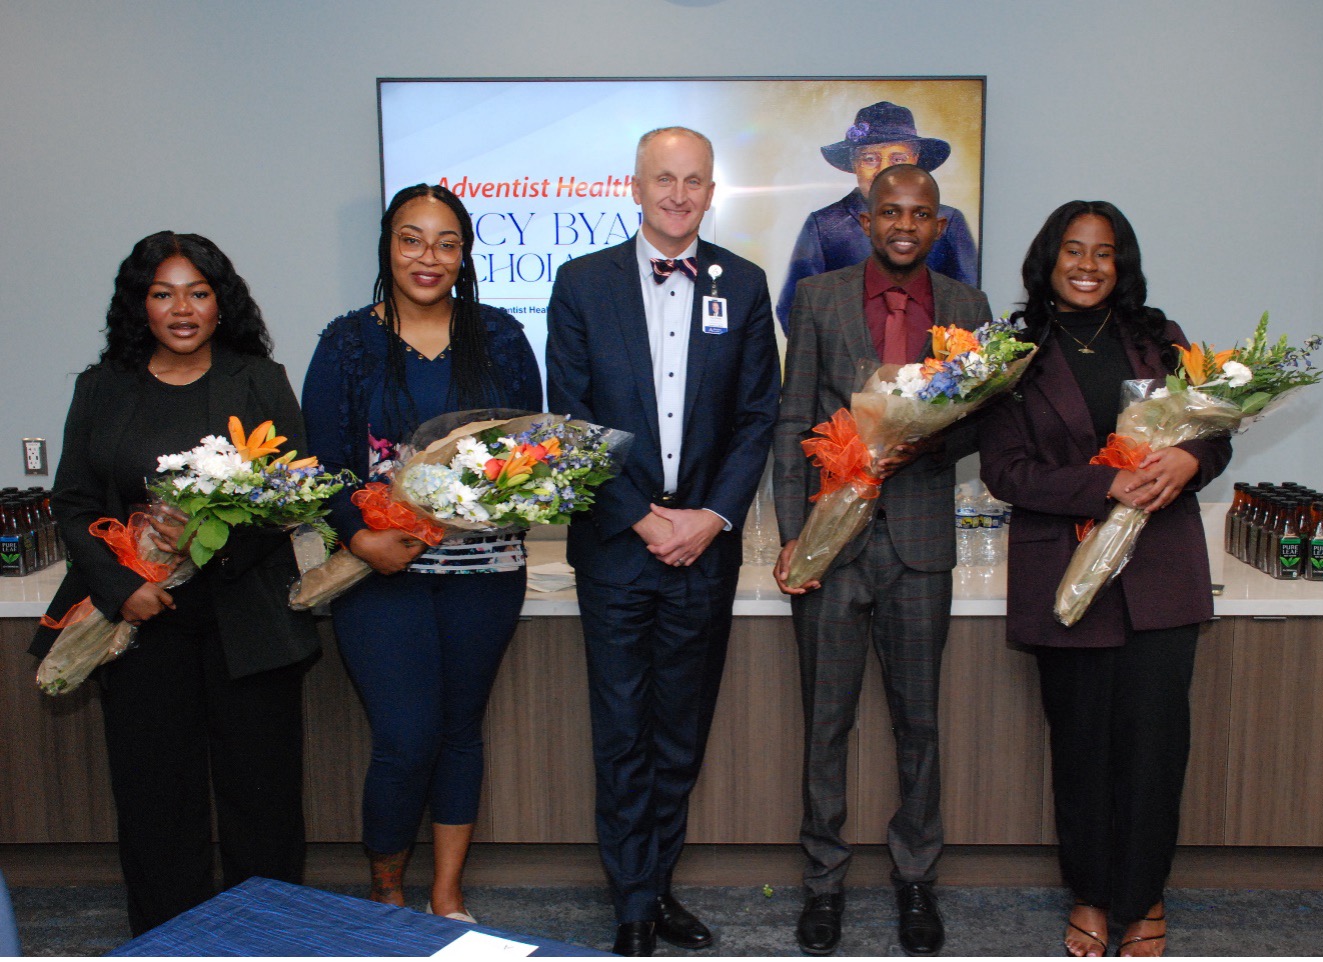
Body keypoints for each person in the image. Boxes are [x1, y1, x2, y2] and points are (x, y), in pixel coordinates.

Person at [31, 231, 319, 936]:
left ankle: (268, 939)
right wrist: (119, 582)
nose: (181, 308)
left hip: (247, 620)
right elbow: (73, 504)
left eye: (198, 292)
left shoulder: (258, 379)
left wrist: (214, 548)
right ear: (140, 306)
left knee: (263, 799)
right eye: (163, 294)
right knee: (157, 799)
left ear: (222, 305)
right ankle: (170, 940)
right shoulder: (101, 387)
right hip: (140, 626)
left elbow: (295, 496)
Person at [545, 127, 780, 957]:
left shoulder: (743, 286)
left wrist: (709, 518)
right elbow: (570, 422)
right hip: (617, 547)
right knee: (622, 732)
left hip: (703, 550)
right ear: (634, 187)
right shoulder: (581, 284)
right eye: (664, 179)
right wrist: (644, 516)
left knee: (680, 733)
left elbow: (758, 419)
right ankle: (632, 905)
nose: (679, 194)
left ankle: (658, 883)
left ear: (711, 192)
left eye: (694, 181)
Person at [979, 201, 1232, 957]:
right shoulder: (1011, 350)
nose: (1088, 266)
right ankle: (1091, 895)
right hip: (1067, 577)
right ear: (1049, 260)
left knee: (1156, 750)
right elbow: (1004, 471)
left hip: (1159, 576)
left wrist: (1192, 461)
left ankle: (1145, 897)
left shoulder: (1161, 339)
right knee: (1083, 751)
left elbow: (1214, 433)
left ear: (1123, 264)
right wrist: (1104, 489)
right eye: (1074, 251)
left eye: (1105, 253)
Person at [301, 184, 541, 921]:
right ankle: (386, 891)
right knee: (406, 739)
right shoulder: (347, 343)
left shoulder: (498, 335)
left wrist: (516, 491)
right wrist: (360, 537)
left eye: (445, 242)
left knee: (459, 732)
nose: (427, 257)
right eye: (411, 239)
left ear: (464, 254)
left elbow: (532, 450)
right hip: (383, 572)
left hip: (486, 574)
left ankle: (447, 894)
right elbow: (323, 465)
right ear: (388, 247)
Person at [772, 164, 992, 957]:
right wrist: (795, 535)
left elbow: (982, 424)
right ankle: (823, 883)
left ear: (940, 226)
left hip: (922, 543)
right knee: (825, 725)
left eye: (921, 213)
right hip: (833, 539)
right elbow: (793, 417)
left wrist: (924, 436)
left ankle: (914, 881)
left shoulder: (967, 308)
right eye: (890, 210)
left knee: (919, 726)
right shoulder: (819, 297)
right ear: (864, 220)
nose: (906, 223)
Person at [775, 100, 980, 331]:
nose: (884, 169)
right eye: (870, 158)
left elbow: (967, 307)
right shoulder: (825, 225)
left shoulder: (949, 221)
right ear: (854, 163)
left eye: (897, 158)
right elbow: (795, 310)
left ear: (916, 160)